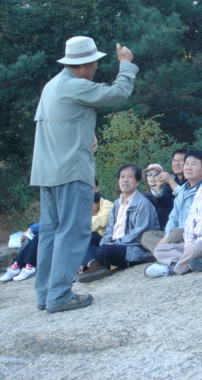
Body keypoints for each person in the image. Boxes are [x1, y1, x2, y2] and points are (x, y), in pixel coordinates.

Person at [30, 36, 138, 313]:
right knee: (74, 232)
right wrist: (126, 65)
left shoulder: (53, 85)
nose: (96, 68)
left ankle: (45, 295)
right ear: (85, 63)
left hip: (48, 172)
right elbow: (117, 93)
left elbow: (63, 123)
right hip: (71, 172)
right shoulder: (76, 85)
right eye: (95, 63)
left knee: (51, 233)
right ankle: (60, 295)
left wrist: (85, 135)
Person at [78, 164, 159, 282]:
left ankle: (94, 263)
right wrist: (106, 242)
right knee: (84, 244)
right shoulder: (117, 204)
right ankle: (97, 264)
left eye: (130, 177)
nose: (125, 180)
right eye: (122, 177)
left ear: (137, 182)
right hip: (114, 245)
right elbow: (109, 230)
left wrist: (116, 243)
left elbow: (140, 233)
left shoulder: (143, 204)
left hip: (132, 248)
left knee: (105, 250)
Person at [140, 150, 202, 253]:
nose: (188, 167)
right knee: (146, 236)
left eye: (193, 164)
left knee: (175, 234)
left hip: (192, 231)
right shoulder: (183, 189)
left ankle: (163, 252)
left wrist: (170, 235)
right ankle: (169, 251)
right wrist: (167, 234)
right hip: (175, 231)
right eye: (186, 163)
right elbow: (173, 216)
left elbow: (197, 220)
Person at [143, 163, 174, 231]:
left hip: (164, 230)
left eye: (156, 174)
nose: (152, 176)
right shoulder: (147, 194)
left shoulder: (167, 190)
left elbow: (158, 200)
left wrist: (159, 186)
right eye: (149, 174)